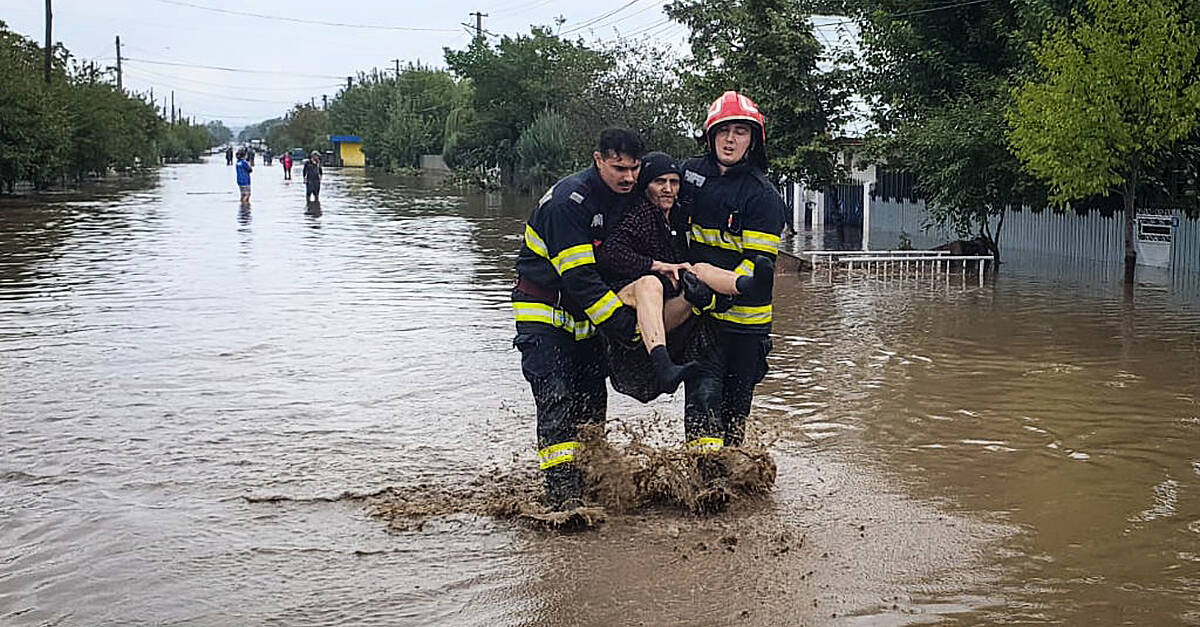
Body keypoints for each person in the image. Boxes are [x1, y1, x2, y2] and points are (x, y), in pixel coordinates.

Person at [512, 128, 644, 512]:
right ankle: (563, 500)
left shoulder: (625, 198)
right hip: (544, 313)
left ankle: (591, 484)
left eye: (634, 169)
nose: (629, 177)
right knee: (557, 399)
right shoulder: (569, 202)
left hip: (585, 320)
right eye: (619, 168)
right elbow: (581, 279)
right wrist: (625, 328)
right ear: (598, 159)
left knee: (591, 405)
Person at [678, 91, 785, 470]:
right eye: (723, 130)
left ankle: (730, 483)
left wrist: (716, 289)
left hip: (746, 328)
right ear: (710, 135)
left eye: (740, 131)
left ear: (753, 140)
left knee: (733, 418)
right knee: (702, 404)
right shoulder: (689, 175)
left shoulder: (763, 197)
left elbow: (756, 269)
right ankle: (704, 488)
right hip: (702, 319)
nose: (730, 139)